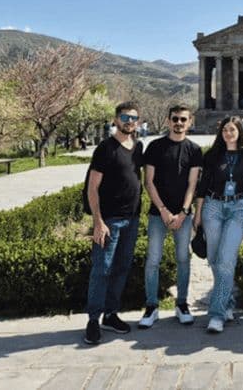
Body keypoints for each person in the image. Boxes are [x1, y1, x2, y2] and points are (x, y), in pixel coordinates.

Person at [83, 102, 144, 345]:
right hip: (109, 220)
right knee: (102, 270)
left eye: (133, 117)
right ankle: (93, 320)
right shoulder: (105, 148)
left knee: (120, 268)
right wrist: (98, 221)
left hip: (132, 218)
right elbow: (92, 187)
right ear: (116, 119)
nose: (129, 121)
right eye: (125, 117)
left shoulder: (138, 147)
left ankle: (110, 314)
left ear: (138, 121)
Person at [139, 105, 203, 329]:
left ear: (189, 122)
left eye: (183, 119)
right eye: (175, 119)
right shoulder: (155, 147)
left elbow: (192, 184)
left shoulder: (194, 150)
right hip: (159, 214)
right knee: (153, 260)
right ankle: (151, 305)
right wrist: (164, 210)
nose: (179, 123)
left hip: (183, 215)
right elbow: (149, 182)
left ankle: (182, 303)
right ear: (168, 121)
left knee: (183, 259)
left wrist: (184, 212)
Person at [194, 117, 243, 333]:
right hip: (213, 206)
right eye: (225, 129)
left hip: (237, 207)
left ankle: (216, 314)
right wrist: (197, 214)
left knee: (226, 260)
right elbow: (202, 186)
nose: (229, 133)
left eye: (232, 129)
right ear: (220, 132)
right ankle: (228, 301)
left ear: (240, 131)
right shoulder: (212, 155)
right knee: (214, 259)